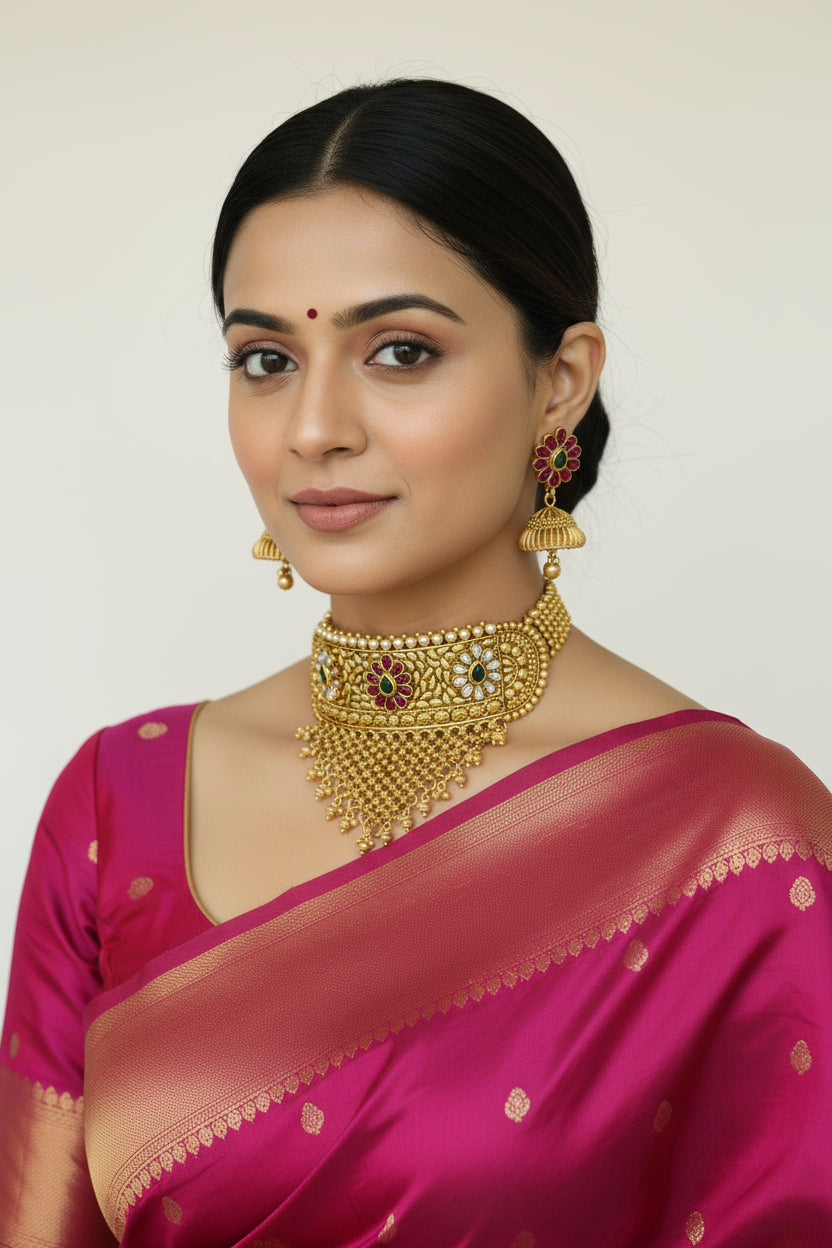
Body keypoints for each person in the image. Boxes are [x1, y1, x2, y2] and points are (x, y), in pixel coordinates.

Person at [1, 78, 830, 1248]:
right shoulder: (116, 803)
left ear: (562, 380)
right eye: (264, 360)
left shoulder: (736, 838)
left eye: (399, 351)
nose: (313, 427)